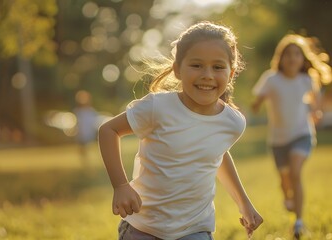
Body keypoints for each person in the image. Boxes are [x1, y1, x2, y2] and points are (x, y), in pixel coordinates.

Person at [98, 21, 263, 240]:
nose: (207, 74)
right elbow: (109, 130)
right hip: (143, 226)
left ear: (231, 73)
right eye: (196, 65)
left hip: (194, 228)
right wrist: (120, 185)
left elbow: (217, 155)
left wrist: (244, 203)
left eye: (218, 67)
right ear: (177, 69)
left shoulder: (233, 122)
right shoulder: (158, 107)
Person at [251, 34, 331, 238]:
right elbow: (259, 98)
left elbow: (316, 101)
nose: (292, 58)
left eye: (296, 54)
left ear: (303, 59)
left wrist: (317, 112)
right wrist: (257, 105)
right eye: (287, 54)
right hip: (278, 140)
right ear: (280, 58)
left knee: (295, 173)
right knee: (285, 179)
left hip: (301, 134)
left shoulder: (306, 80)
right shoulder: (271, 79)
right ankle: (287, 195)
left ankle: (299, 222)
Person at [73, 90, 99, 167]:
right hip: (81, 134)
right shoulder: (77, 111)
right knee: (83, 151)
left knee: (94, 149)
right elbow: (77, 124)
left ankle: (96, 163)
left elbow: (94, 123)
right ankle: (85, 164)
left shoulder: (91, 111)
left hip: (90, 134)